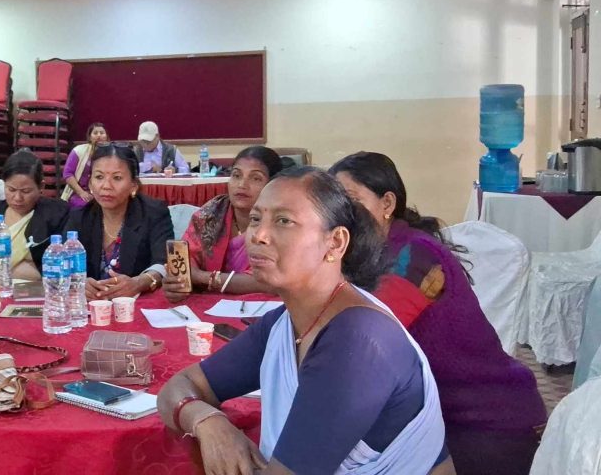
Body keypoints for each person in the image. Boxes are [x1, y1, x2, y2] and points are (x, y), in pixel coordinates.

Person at [157, 167, 452, 475]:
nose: (257, 235)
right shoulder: (284, 325)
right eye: (256, 219)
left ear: (335, 242)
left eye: (283, 221)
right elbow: (178, 387)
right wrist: (207, 421)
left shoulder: (358, 341)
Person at [330, 151, 546, 475]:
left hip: (486, 424)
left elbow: (364, 335)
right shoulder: (373, 253)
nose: (341, 214)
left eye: (351, 201)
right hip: (443, 419)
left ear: (387, 203)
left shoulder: (415, 255)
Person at [163, 146, 283, 301]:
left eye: (255, 178)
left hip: (263, 306)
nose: (242, 184)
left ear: (273, 185)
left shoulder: (282, 223)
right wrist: (178, 282)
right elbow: (186, 258)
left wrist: (203, 277)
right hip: (208, 306)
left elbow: (270, 281)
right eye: (236, 175)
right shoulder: (211, 214)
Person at [64, 143, 173, 299]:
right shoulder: (80, 217)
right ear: (90, 183)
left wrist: (139, 282)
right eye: (99, 177)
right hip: (93, 305)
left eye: (117, 178)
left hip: (138, 303)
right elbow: (62, 262)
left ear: (133, 185)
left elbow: (164, 263)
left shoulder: (154, 213)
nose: (106, 186)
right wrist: (77, 281)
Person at [0, 151, 70, 280]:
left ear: (41, 186)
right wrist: (19, 269)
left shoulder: (56, 214)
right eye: (11, 190)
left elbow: (61, 265)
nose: (17, 198)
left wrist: (7, 270)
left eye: (26, 191)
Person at [61, 122, 108, 208]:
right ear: (90, 137)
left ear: (106, 137)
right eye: (95, 133)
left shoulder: (111, 154)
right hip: (78, 193)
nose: (99, 135)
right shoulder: (78, 151)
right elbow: (67, 174)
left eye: (102, 133)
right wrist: (81, 192)